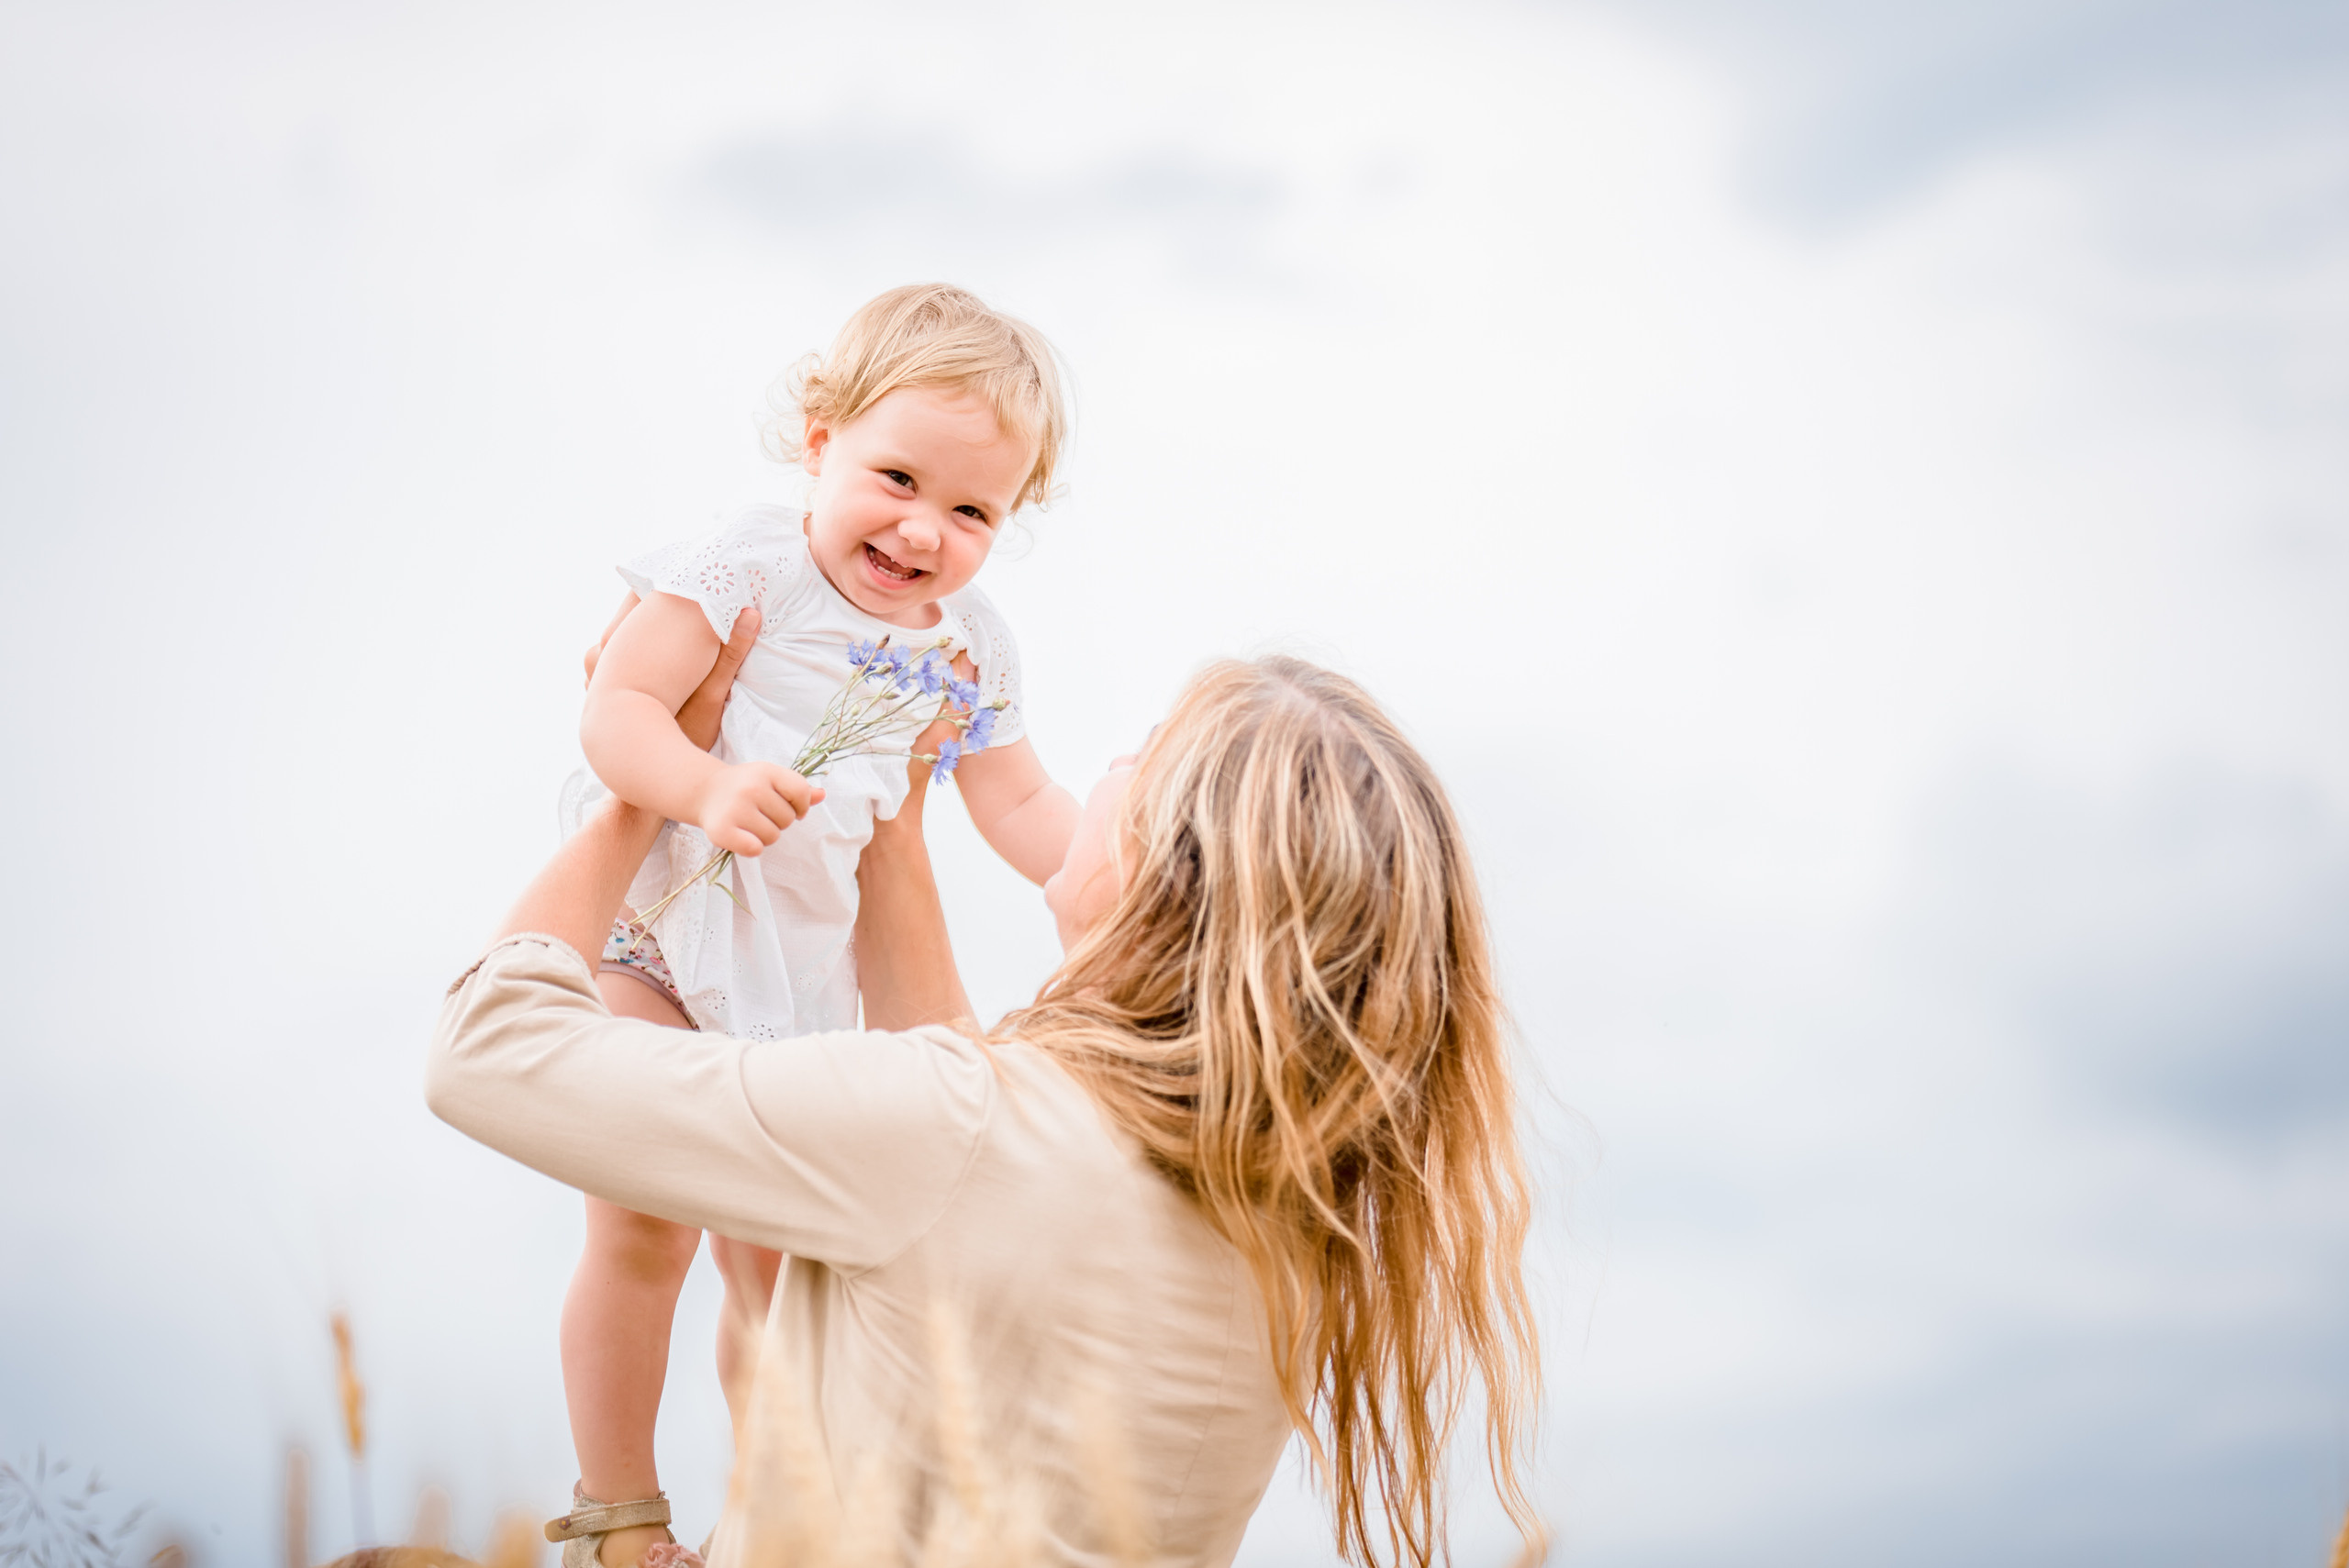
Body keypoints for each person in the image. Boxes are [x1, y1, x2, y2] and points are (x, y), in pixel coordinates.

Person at [429, 611, 1542, 1568]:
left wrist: (639, 795)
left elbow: (485, 1047)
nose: (1107, 766)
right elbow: (966, 1159)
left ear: (1161, 859)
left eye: (1142, 752)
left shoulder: (954, 1130)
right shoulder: (1285, 1237)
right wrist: (893, 824)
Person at [553, 284, 1082, 1563]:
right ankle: (619, 1512)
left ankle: (770, 1520)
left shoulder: (969, 647)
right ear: (819, 437)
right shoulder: (748, 567)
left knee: (782, 1273)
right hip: (660, 931)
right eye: (896, 478)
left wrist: (1126, 884)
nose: (923, 530)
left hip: (794, 985)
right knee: (643, 1227)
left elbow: (1016, 799)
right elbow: (617, 705)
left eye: (973, 512)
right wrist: (704, 785)